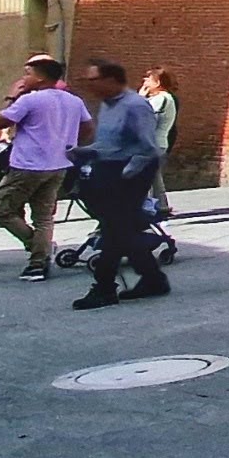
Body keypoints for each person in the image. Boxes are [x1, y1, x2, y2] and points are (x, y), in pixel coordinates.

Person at [68, 58, 168, 308]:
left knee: (114, 228)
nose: (90, 86)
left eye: (94, 80)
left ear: (111, 80)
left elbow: (147, 147)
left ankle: (104, 287)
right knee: (121, 229)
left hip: (131, 171)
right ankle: (153, 278)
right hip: (109, 168)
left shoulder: (135, 105)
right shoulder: (107, 105)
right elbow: (110, 144)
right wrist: (86, 151)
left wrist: (127, 173)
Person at [0, 59, 91, 281]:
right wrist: (70, 143)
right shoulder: (74, 101)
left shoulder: (30, 100)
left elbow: (0, 122)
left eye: (27, 74)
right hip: (59, 163)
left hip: (27, 165)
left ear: (40, 77)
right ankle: (38, 263)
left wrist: (11, 96)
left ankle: (36, 245)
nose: (23, 79)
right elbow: (87, 127)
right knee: (44, 216)